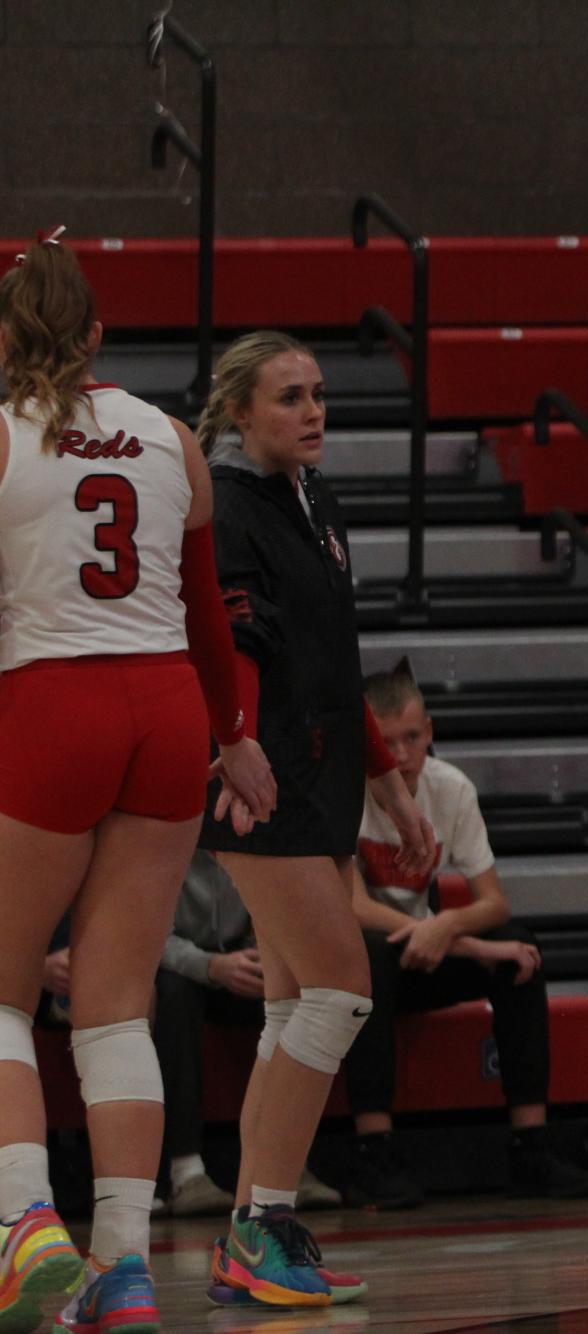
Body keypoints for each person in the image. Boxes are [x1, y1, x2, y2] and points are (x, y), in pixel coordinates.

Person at [0, 229, 274, 1333]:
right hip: (165, 713)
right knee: (115, 1005)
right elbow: (210, 614)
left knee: (4, 993)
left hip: (52, 706)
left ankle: (24, 1227)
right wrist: (235, 734)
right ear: (101, 333)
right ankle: (122, 1267)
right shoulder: (170, 437)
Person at [195, 330, 434, 1311]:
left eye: (319, 394)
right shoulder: (226, 508)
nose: (312, 411)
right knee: (339, 991)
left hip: (326, 775)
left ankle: (264, 1225)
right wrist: (236, 741)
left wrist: (393, 783)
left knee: (296, 1008)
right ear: (240, 411)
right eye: (289, 397)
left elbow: (339, 661)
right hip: (267, 780)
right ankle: (258, 1227)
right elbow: (233, 645)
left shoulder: (313, 497)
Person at [341, 661, 588, 1208]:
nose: (403, 755)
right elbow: (354, 908)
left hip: (422, 953)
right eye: (386, 742)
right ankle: (374, 1152)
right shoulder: (345, 793)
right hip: (353, 959)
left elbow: (493, 902)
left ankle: (531, 1144)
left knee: (518, 949)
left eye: (412, 738)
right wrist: (463, 941)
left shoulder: (450, 788)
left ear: (430, 732)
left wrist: (448, 927)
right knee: (369, 956)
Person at [153, 852, 342, 1215]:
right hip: (179, 968)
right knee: (174, 995)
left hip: (238, 959)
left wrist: (262, 958)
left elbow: (277, 917)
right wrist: (209, 966)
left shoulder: (253, 839)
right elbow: (142, 935)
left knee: (289, 994)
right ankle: (186, 1170)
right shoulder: (163, 836)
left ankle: (287, 1167)